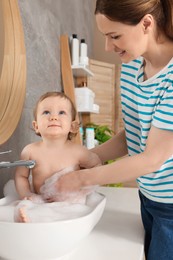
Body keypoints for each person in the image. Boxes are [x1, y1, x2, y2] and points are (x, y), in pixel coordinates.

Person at [54, 1, 173, 259]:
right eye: (105, 37)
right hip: (148, 197)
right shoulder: (131, 66)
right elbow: (134, 133)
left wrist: (81, 179)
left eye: (115, 36)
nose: (109, 47)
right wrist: (91, 157)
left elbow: (153, 158)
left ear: (147, 24)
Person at [0, 91, 102, 223]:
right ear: (36, 126)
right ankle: (26, 217)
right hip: (39, 201)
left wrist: (84, 188)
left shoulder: (79, 152)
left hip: (70, 204)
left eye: (61, 113)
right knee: (24, 205)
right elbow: (21, 176)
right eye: (46, 112)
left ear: (73, 126)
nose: (53, 117)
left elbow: (97, 167)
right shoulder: (30, 150)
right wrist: (27, 195)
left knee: (67, 214)